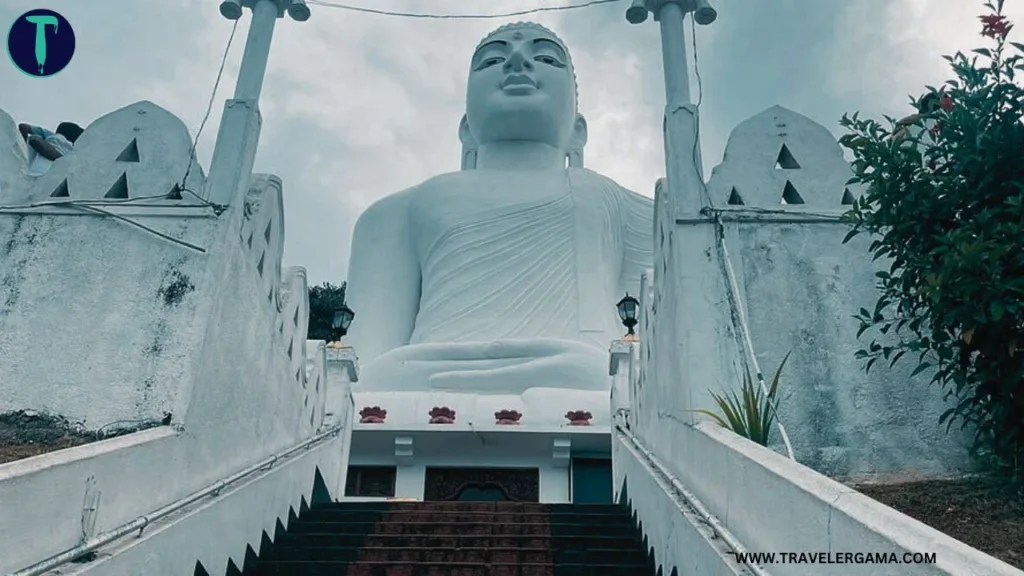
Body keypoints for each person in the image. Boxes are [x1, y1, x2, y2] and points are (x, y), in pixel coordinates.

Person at [344, 22, 654, 425]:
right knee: (383, 378)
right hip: (420, 376)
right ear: (466, 129)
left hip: (580, 374)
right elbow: (363, 361)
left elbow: (652, 339)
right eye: (492, 60)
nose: (517, 62)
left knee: (598, 372)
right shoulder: (393, 212)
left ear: (578, 132)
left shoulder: (615, 202)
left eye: (544, 58)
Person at [18, 121, 83, 176]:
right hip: (50, 167)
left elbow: (24, 127)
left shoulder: (75, 150)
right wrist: (25, 149)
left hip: (47, 168)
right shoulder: (55, 136)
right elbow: (24, 127)